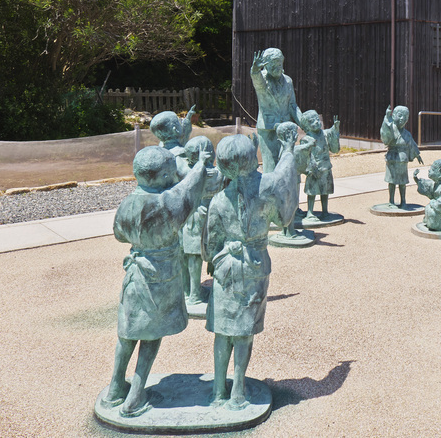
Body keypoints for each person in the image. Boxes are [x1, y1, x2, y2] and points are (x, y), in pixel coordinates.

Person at [102, 145, 209, 417]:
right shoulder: (165, 203)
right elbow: (189, 190)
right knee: (152, 333)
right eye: (170, 173)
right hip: (161, 274)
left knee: (127, 332)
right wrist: (200, 165)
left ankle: (116, 388)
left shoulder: (127, 203)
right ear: (163, 176)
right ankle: (136, 396)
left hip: (134, 274)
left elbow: (119, 235)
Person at [203, 123, 298, 410]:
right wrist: (288, 149)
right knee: (244, 332)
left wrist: (215, 258)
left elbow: (209, 246)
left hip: (226, 268)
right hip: (255, 263)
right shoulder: (267, 189)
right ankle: (238, 391)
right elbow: (283, 207)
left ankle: (218, 391)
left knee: (223, 331)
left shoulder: (219, 200)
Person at [180, 136, 224, 311]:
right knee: (196, 256)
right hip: (204, 216)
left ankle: (191, 292)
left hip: (192, 217)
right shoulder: (217, 173)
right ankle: (194, 295)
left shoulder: (189, 173)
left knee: (191, 256)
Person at [250, 48, 303, 174]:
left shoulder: (288, 81)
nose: (278, 66)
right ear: (266, 65)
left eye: (279, 63)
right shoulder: (262, 78)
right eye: (273, 63)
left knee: (287, 163)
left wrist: (303, 122)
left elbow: (292, 105)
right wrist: (255, 70)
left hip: (285, 128)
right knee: (271, 165)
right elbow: (258, 82)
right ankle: (270, 187)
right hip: (268, 128)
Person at [295, 110, 340, 219]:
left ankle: (325, 211)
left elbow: (334, 146)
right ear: (306, 126)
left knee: (325, 191)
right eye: (312, 121)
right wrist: (310, 166)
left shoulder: (325, 134)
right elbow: (305, 155)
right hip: (314, 169)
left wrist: (335, 129)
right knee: (312, 191)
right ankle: (310, 212)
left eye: (317, 119)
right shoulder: (306, 139)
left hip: (326, 167)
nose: (316, 122)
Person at [380, 105, 423, 207]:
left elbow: (412, 144)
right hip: (392, 158)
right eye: (400, 115)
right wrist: (387, 118)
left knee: (402, 182)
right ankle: (391, 201)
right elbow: (385, 135)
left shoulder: (407, 134)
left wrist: (417, 155)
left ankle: (403, 201)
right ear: (393, 115)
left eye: (405, 116)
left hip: (402, 160)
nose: (402, 118)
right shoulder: (391, 129)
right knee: (391, 181)